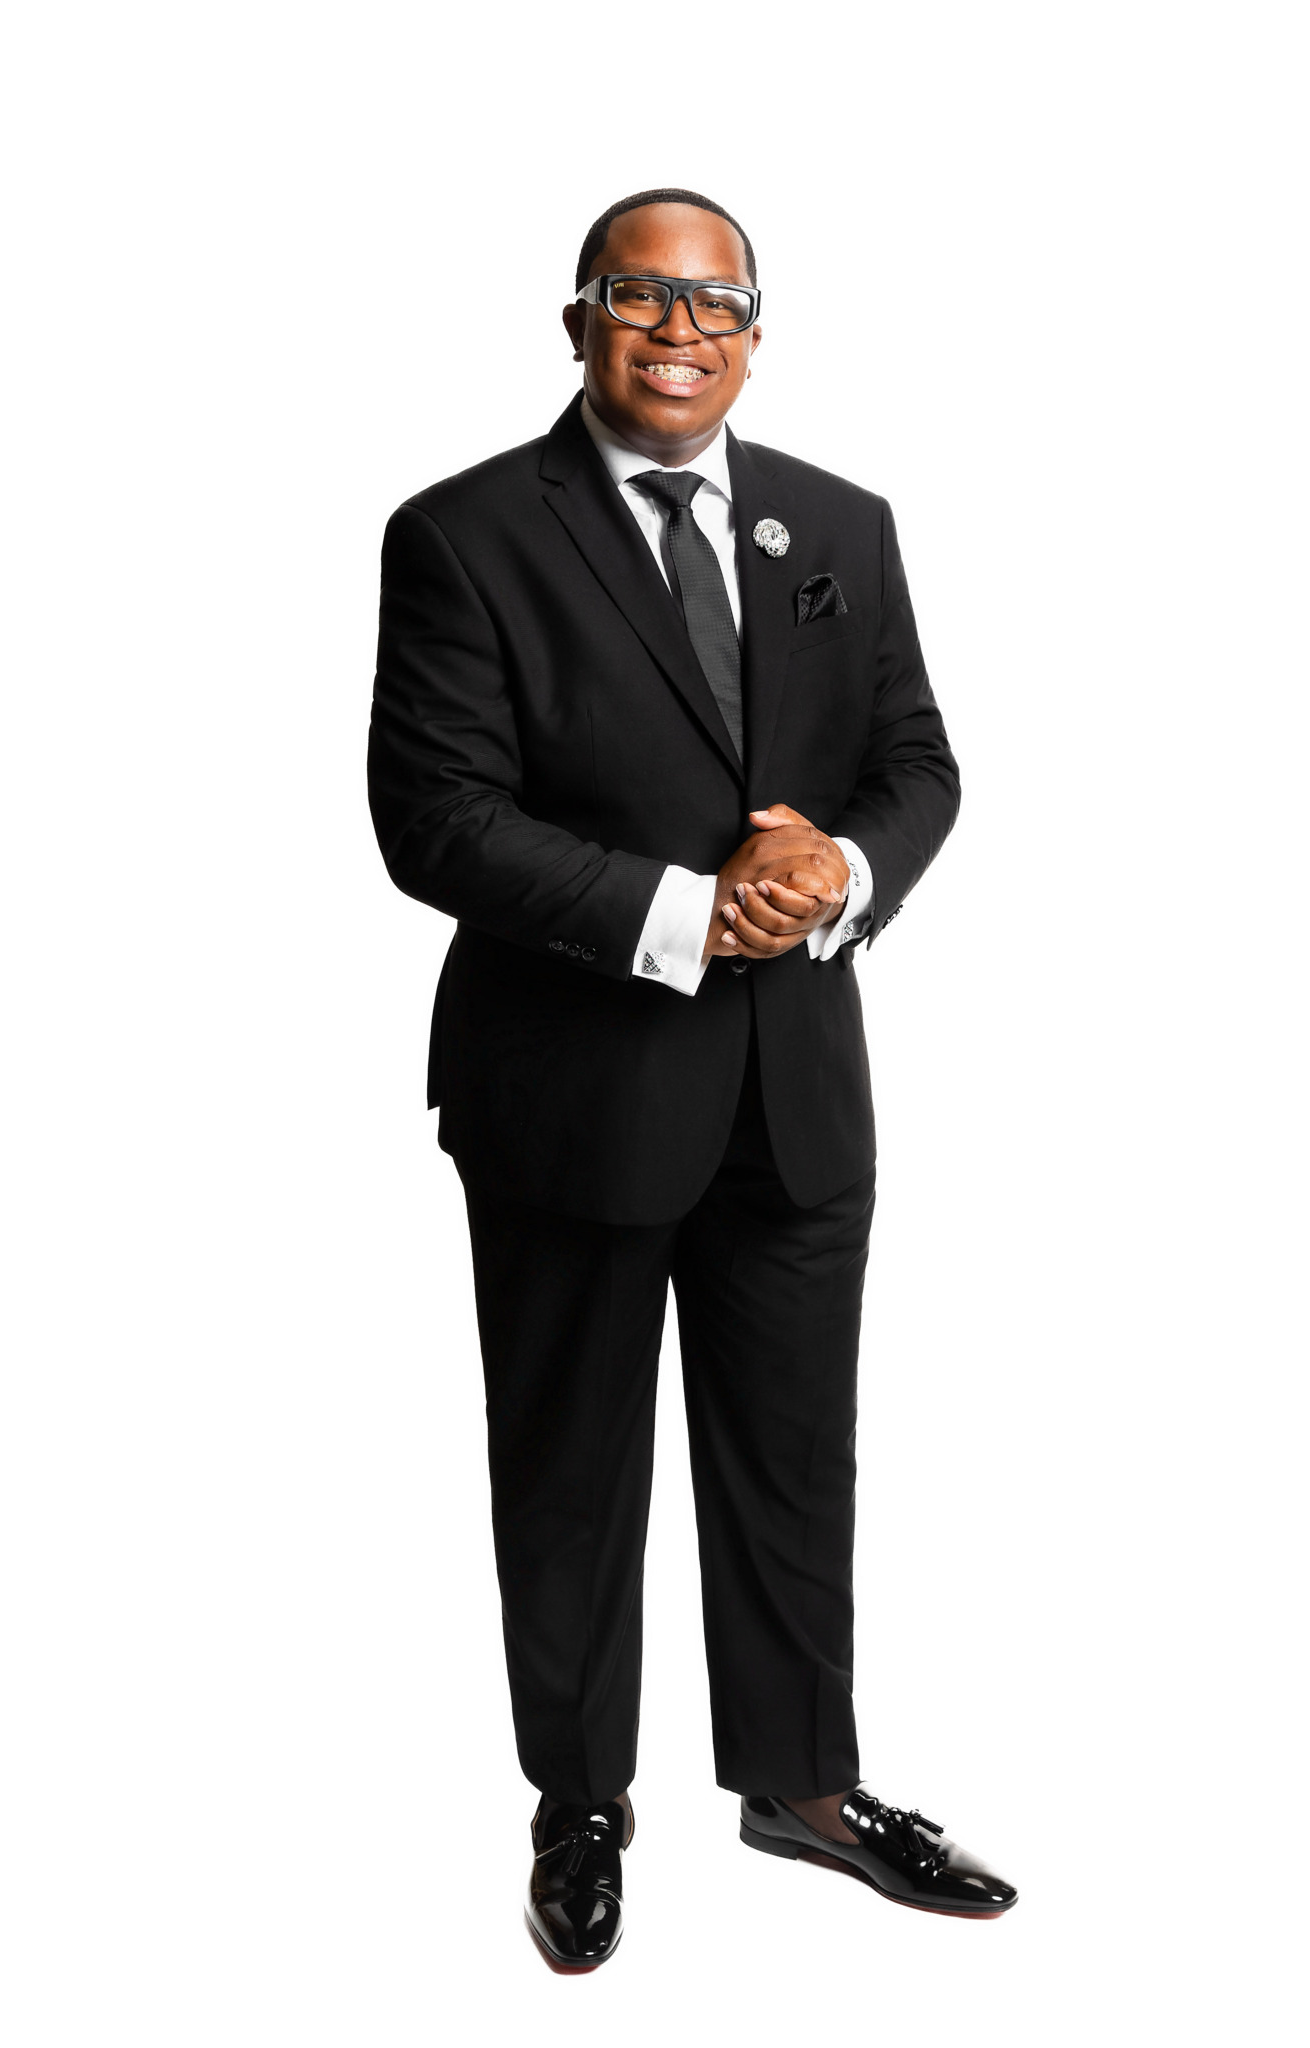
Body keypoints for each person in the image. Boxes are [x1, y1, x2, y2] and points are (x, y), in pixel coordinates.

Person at [368, 187, 1017, 1972]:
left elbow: (915, 759)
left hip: (793, 1088)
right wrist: (684, 911)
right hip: (570, 1088)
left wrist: (842, 869)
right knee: (569, 1467)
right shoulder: (464, 534)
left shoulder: (839, 523)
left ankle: (802, 1785)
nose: (679, 330)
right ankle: (580, 1805)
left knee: (797, 1459)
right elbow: (434, 819)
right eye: (639, 297)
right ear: (577, 320)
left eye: (714, 302)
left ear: (754, 333)